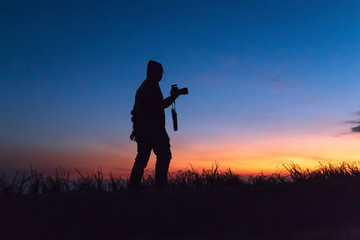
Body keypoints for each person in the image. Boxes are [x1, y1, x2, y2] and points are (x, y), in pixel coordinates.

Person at [129, 60, 181, 188]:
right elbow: (159, 106)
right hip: (152, 127)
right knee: (164, 155)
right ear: (152, 72)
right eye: (160, 72)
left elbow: (140, 110)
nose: (161, 75)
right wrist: (173, 97)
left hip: (143, 128)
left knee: (142, 158)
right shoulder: (150, 87)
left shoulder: (143, 87)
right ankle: (160, 185)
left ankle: (133, 187)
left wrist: (136, 129)